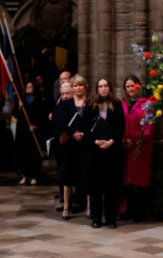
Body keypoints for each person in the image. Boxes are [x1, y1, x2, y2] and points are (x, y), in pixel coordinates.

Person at [84, 77, 125, 228]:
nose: (103, 89)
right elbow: (86, 127)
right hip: (95, 152)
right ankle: (96, 218)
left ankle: (110, 218)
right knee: (96, 187)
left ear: (110, 88)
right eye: (100, 86)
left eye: (105, 86)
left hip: (112, 151)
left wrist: (111, 141)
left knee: (111, 187)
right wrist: (95, 141)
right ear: (97, 89)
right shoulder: (90, 105)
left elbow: (121, 126)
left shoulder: (117, 105)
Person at [53, 74, 89, 219]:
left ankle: (89, 208)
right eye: (75, 85)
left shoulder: (90, 103)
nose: (78, 88)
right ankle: (66, 207)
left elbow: (93, 121)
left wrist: (84, 134)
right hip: (70, 143)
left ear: (85, 87)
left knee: (86, 175)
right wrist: (73, 133)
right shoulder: (66, 103)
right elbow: (61, 121)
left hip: (85, 143)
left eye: (80, 85)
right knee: (68, 175)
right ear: (72, 87)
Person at [121, 75, 154, 221]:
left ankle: (138, 214)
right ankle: (126, 211)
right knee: (126, 182)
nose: (130, 89)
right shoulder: (121, 103)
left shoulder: (146, 103)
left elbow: (149, 126)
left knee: (138, 183)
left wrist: (133, 140)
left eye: (132, 86)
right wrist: (122, 140)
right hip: (124, 148)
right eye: (127, 86)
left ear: (138, 86)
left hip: (140, 148)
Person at [14, 80, 48, 185]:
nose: (28, 88)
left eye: (30, 86)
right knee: (23, 153)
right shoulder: (21, 99)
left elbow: (42, 115)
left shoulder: (39, 99)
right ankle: (24, 176)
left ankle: (34, 175)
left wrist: (35, 126)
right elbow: (15, 114)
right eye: (27, 86)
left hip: (34, 130)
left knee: (33, 154)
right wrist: (19, 107)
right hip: (23, 130)